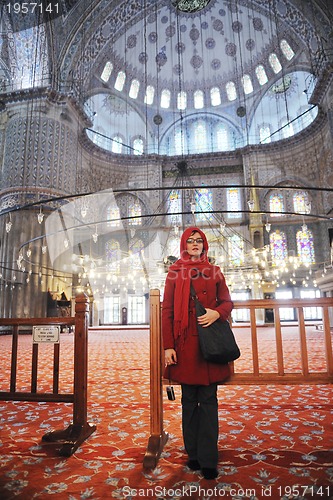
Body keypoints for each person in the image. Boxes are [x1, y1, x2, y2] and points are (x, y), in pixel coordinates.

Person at [162, 226, 233, 480]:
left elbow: (227, 301)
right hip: (184, 346)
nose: (194, 244)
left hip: (209, 345)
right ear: (184, 244)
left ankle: (209, 459)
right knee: (189, 402)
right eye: (190, 240)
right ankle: (193, 455)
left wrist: (217, 313)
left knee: (209, 401)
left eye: (199, 240)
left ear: (204, 245)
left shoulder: (214, 272)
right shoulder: (174, 273)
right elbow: (167, 311)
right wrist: (168, 345)